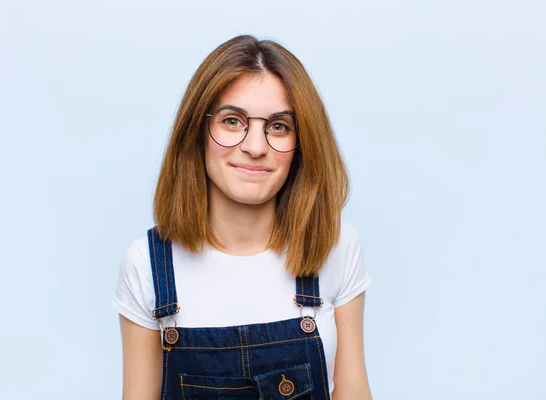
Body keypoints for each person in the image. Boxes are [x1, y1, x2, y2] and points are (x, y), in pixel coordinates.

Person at [112, 34, 373, 399]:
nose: (254, 147)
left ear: (302, 144)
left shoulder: (335, 245)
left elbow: (354, 392)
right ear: (198, 132)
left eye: (279, 126)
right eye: (232, 121)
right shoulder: (148, 265)